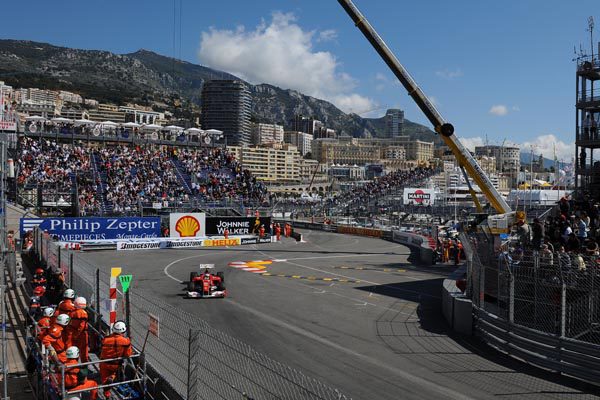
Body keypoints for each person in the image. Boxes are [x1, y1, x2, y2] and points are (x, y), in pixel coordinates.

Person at [99, 321, 132, 399]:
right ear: (123, 331)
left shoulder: (106, 339)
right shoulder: (126, 341)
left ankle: (107, 395)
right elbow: (128, 354)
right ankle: (112, 377)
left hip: (104, 363)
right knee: (112, 373)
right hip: (115, 364)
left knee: (104, 378)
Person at [64, 297, 89, 362]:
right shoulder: (83, 313)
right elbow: (82, 326)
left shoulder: (72, 312)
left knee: (70, 347)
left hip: (71, 332)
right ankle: (84, 364)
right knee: (83, 349)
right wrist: (77, 334)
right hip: (81, 334)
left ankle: (71, 362)